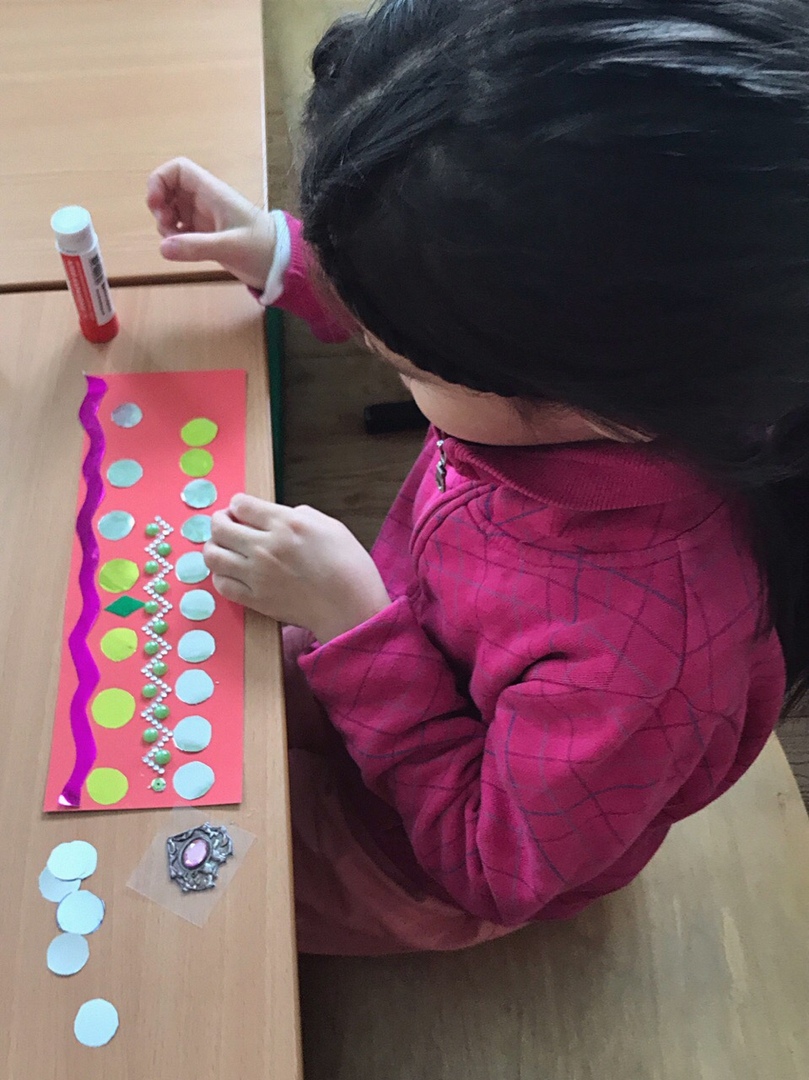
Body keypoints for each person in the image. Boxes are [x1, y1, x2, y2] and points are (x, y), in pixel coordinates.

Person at [147, 0, 809, 955]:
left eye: (400, 359)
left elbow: (489, 867)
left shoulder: (646, 656)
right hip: (401, 654)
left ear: (585, 389)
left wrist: (354, 625)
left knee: (163, 880)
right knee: (169, 710)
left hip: (420, 855)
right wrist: (287, 252)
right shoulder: (612, 366)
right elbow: (451, 289)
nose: (373, 345)